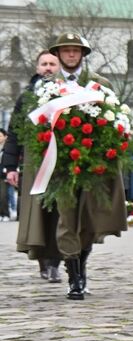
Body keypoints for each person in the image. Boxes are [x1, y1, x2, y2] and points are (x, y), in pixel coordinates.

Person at [49, 33, 127, 299]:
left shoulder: (99, 84)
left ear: (83, 54)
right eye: (66, 51)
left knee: (89, 222)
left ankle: (82, 266)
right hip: (61, 166)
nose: (71, 55)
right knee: (67, 219)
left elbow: (115, 120)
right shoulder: (49, 85)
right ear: (58, 55)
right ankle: (74, 279)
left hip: (94, 166)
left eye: (75, 51)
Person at [3, 49, 63, 283]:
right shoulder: (27, 98)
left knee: (59, 213)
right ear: (37, 68)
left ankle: (56, 263)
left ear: (58, 68)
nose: (48, 67)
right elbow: (14, 135)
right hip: (33, 163)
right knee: (37, 214)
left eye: (52, 64)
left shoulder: (67, 94)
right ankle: (42, 262)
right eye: (44, 64)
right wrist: (9, 167)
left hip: (60, 161)